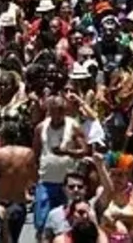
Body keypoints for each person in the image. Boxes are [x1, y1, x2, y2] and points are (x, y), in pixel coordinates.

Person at [34, 95, 88, 238]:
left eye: (61, 111)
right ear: (49, 111)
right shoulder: (41, 127)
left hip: (68, 184)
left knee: (67, 223)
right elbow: (36, 154)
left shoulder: (73, 126)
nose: (58, 114)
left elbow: (84, 151)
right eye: (54, 111)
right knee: (42, 222)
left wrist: (67, 152)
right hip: (46, 181)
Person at [0, 123, 38, 242]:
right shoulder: (27, 153)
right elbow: (35, 177)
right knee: (14, 239)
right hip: (19, 202)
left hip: (0, 202)